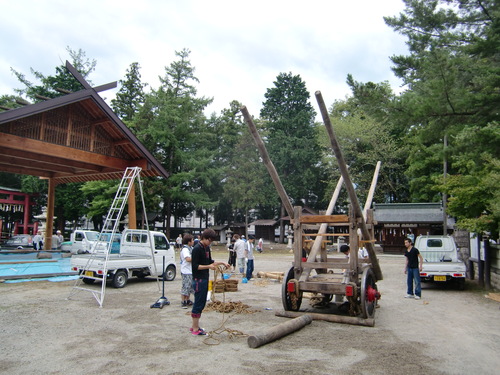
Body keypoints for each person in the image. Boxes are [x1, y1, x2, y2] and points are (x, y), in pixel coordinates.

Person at [190, 228, 229, 336]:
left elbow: (210, 262)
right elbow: (195, 266)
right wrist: (208, 266)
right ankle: (195, 328)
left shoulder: (206, 248)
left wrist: (222, 263)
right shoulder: (197, 249)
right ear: (205, 238)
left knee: (202, 303)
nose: (210, 242)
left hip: (205, 278)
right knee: (198, 303)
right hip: (199, 279)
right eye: (210, 240)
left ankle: (195, 326)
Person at [180, 234, 195, 309]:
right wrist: (196, 258)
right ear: (189, 242)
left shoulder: (191, 248)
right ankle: (183, 301)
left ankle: (188, 299)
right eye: (192, 240)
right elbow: (188, 259)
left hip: (191, 270)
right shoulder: (185, 249)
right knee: (185, 286)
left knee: (190, 286)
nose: (193, 241)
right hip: (186, 270)